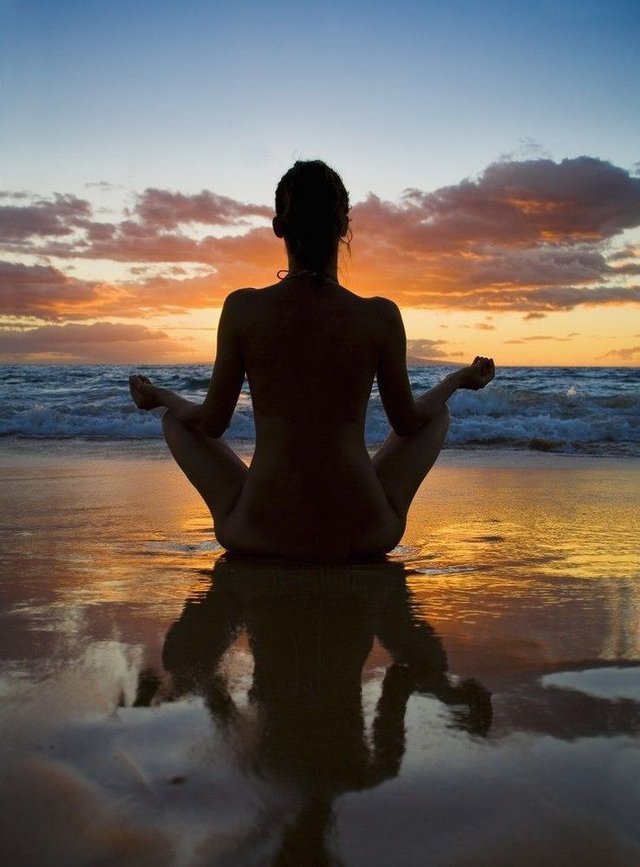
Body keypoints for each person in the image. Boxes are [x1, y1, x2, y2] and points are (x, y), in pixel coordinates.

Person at [129, 160, 494, 561]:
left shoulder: (243, 309)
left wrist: (160, 395)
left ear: (278, 226)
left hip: (260, 532)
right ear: (343, 227)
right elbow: (408, 421)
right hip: (364, 531)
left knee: (174, 421)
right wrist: (457, 380)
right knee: (437, 414)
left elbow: (211, 424)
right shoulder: (380, 316)